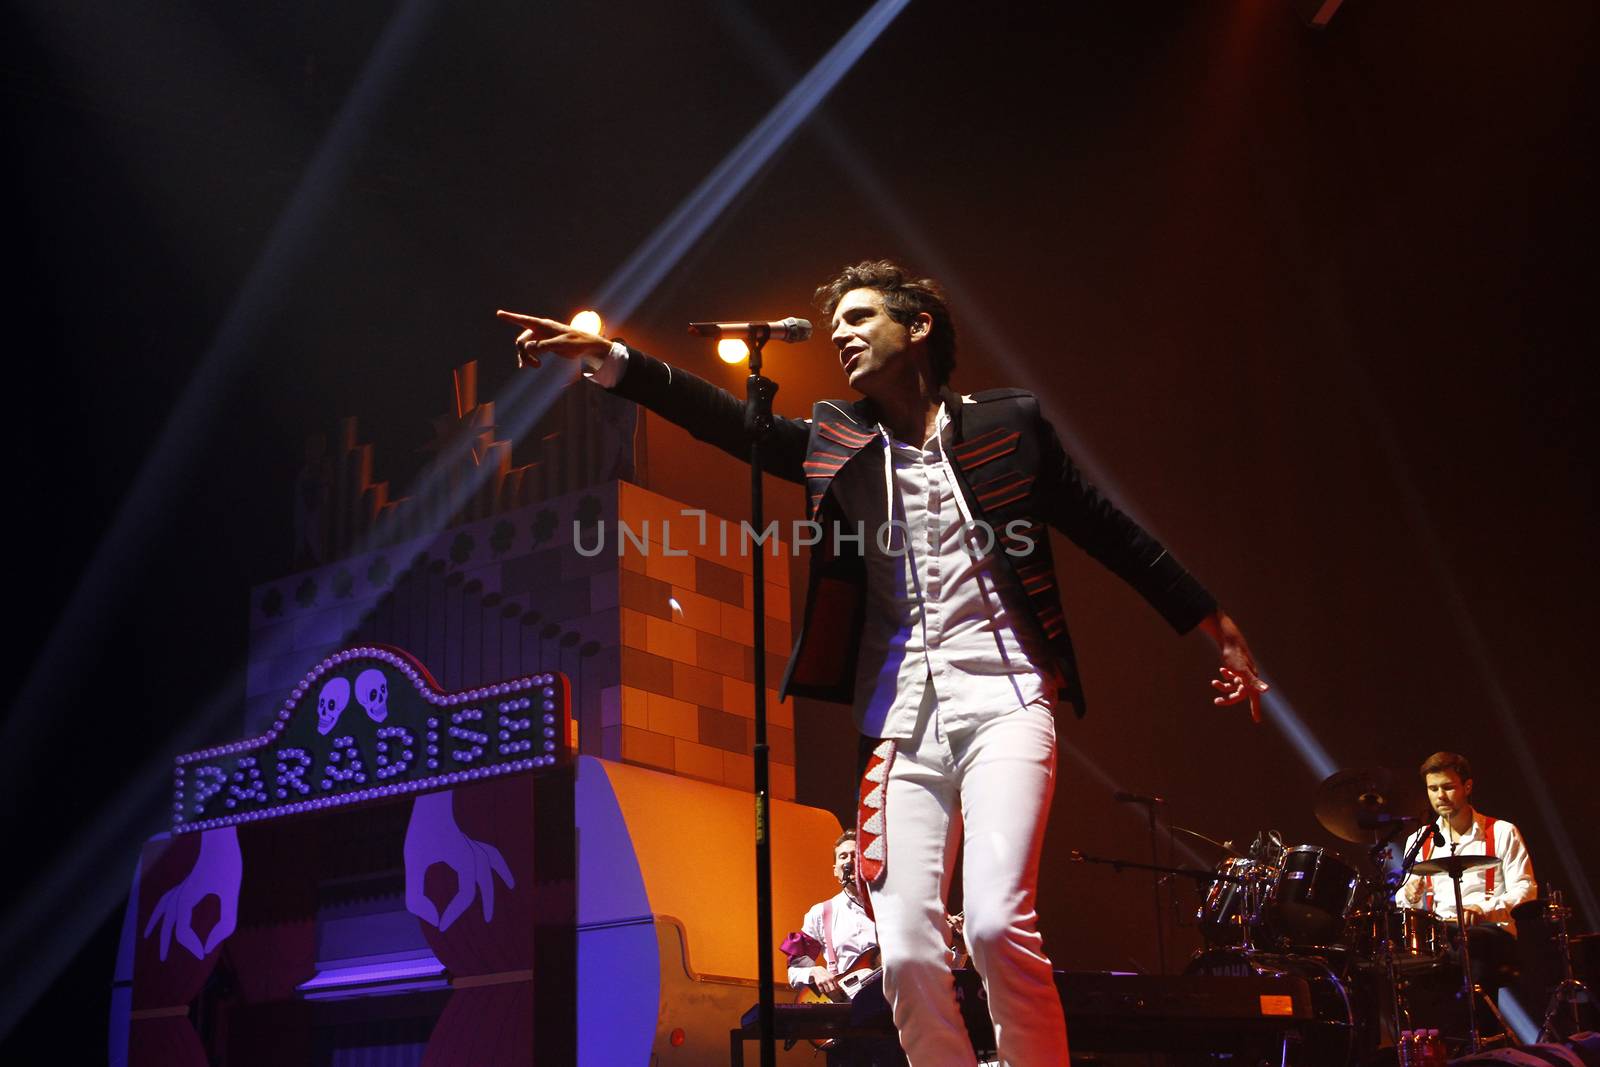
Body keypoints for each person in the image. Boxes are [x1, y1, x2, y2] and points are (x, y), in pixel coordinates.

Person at [497, 259, 1266, 1065]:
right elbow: (727, 422)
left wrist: (1219, 628)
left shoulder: (1010, 425)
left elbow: (1114, 533)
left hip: (1006, 701)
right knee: (903, 950)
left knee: (999, 922)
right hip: (901, 722)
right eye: (837, 329)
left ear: (919, 326)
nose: (843, 337)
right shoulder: (841, 437)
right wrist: (609, 359)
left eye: (862, 319)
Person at [1399, 751, 1536, 988]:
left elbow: (1526, 889)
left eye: (1448, 787)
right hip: (1440, 936)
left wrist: (1482, 909)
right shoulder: (1419, 840)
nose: (1440, 796)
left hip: (1490, 933)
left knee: (1469, 944)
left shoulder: (1502, 832)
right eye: (1433, 789)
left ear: (1468, 786)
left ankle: (1479, 1021)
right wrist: (1410, 895)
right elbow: (1403, 901)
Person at [786, 830, 880, 998]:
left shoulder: (889, 908)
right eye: (843, 856)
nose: (849, 861)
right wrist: (814, 971)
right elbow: (795, 970)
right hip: (845, 1005)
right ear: (835, 870)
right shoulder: (821, 913)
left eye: (855, 855)